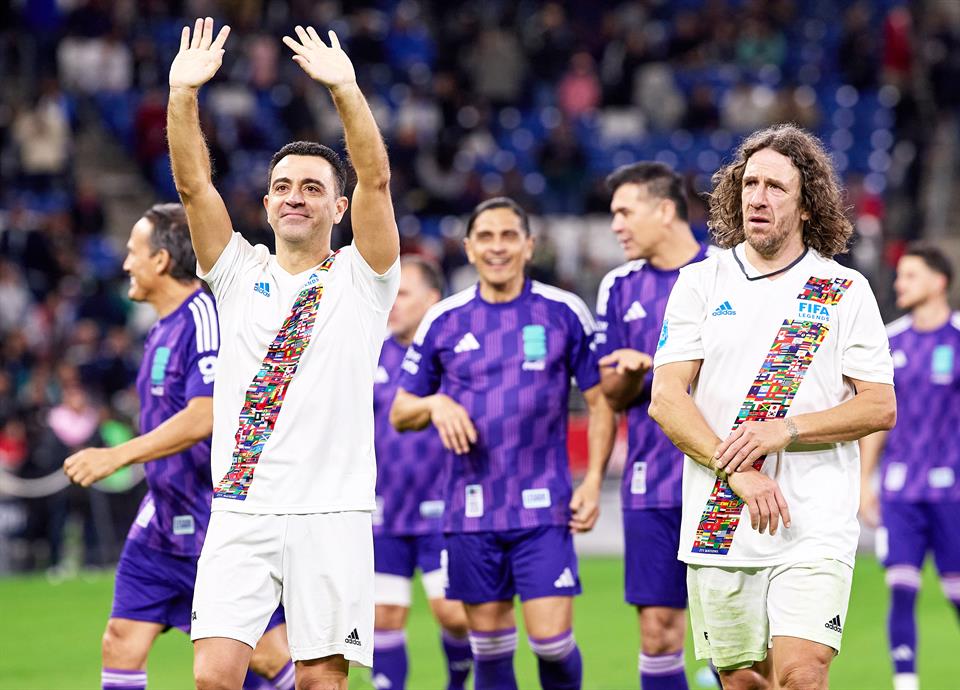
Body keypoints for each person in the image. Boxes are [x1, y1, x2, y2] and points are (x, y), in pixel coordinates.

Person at [166, 18, 399, 690]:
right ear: (267, 203)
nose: (297, 196)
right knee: (213, 678)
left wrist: (345, 90)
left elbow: (378, 181)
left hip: (331, 511)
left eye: (314, 187)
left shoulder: (363, 276)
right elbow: (194, 188)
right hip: (241, 506)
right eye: (285, 187)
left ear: (339, 207)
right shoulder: (237, 271)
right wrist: (182, 95)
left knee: (320, 682)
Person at [649, 123, 897, 690]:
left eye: (776, 187)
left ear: (807, 205)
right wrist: (736, 469)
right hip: (720, 519)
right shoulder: (700, 283)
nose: (758, 198)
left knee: (802, 675)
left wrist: (785, 429)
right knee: (742, 682)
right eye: (750, 184)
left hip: (814, 523)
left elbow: (880, 406)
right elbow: (666, 399)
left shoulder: (842, 289)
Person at [63, 204, 294, 690]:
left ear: (162, 260)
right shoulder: (161, 327)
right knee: (120, 639)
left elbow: (205, 414)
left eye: (134, 252)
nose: (126, 263)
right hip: (163, 514)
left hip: (212, 519)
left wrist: (117, 454)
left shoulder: (203, 319)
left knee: (266, 658)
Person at [390, 197, 615, 690]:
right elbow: (401, 411)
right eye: (486, 237)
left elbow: (600, 403)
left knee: (552, 642)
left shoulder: (563, 311)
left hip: (544, 508)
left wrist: (594, 481)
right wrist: (436, 405)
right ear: (469, 248)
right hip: (470, 510)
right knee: (490, 648)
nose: (498, 247)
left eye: (509, 236)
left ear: (529, 246)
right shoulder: (444, 320)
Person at [595, 162, 711, 689]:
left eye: (625, 212)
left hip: (722, 479)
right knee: (659, 633)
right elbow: (609, 394)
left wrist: (668, 366)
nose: (615, 225)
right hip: (651, 483)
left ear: (665, 210)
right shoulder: (619, 286)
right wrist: (627, 372)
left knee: (739, 639)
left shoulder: (727, 273)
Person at [859, 244, 960, 690]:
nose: (899, 283)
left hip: (954, 492)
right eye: (899, 275)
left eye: (911, 275)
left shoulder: (957, 338)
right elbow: (874, 420)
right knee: (901, 588)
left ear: (939, 282)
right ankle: (906, 684)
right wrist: (864, 481)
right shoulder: (888, 341)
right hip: (900, 491)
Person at [371, 256, 472, 690]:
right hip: (382, 508)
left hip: (442, 507)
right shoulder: (369, 350)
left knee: (453, 614)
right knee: (383, 616)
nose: (393, 303)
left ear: (432, 299)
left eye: (404, 293)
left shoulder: (454, 355)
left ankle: (457, 683)